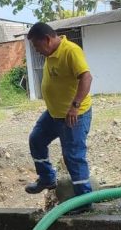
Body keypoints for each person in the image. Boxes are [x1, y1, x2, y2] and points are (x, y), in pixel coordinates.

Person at [24, 21, 93, 198]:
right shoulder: (51, 53)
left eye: (37, 46)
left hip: (73, 116)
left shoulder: (70, 51)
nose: (36, 50)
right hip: (54, 114)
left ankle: (84, 200)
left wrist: (75, 106)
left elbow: (86, 77)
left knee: (73, 156)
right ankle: (47, 178)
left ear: (47, 39)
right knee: (36, 140)